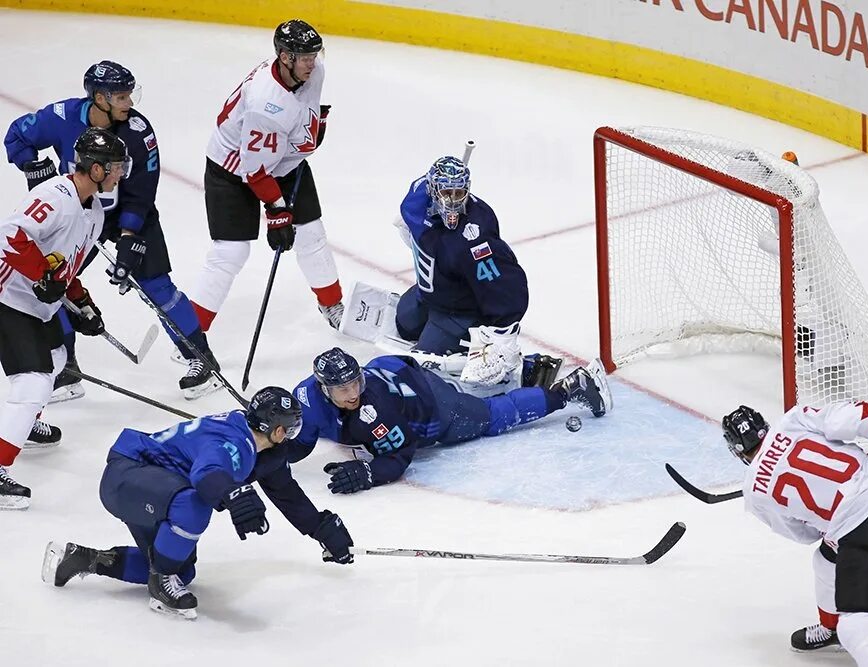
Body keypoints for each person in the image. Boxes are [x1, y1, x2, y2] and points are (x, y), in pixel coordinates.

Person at [3, 60, 222, 399]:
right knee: (53, 281)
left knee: (157, 285)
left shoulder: (137, 130)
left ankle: (200, 358)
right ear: (99, 98)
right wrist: (32, 164)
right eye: (120, 96)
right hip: (79, 210)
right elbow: (17, 135)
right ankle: (66, 369)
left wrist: (129, 237)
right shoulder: (62, 115)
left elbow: (142, 191)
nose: (129, 103)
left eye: (129, 95)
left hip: (127, 216)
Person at [40, 386, 355, 620]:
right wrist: (233, 494)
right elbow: (207, 476)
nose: (292, 435)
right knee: (195, 504)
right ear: (277, 429)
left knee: (182, 570)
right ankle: (161, 581)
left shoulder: (257, 445)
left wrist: (321, 529)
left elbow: (285, 490)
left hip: (150, 489)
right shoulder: (233, 442)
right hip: (128, 478)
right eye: (292, 427)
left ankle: (83, 559)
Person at [722, 401, 868, 665]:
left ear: (737, 451)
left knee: (857, 625)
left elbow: (804, 535)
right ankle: (830, 628)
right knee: (825, 560)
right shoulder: (793, 420)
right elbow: (858, 416)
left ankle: (844, 629)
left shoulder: (754, 493)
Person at [189, 19, 344, 334]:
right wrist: (276, 211)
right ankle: (190, 334)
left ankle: (332, 304)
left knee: (312, 233)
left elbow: (302, 114)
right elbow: (255, 171)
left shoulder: (313, 72)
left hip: (281, 162)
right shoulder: (266, 103)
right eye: (305, 57)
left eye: (315, 55)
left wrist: (312, 133)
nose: (312, 63)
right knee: (230, 252)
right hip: (233, 171)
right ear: (285, 57)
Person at [288, 347, 611, 494]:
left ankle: (569, 390)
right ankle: (511, 370)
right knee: (459, 384)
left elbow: (401, 455)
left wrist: (369, 472)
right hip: (394, 367)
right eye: (344, 388)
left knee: (490, 416)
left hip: (434, 410)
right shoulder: (306, 397)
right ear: (323, 388)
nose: (354, 392)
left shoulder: (375, 411)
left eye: (356, 382)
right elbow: (301, 439)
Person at [0, 128, 124, 509]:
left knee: (56, 361)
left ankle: (22, 426)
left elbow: (62, 266)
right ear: (97, 169)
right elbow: (10, 237)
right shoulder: (55, 196)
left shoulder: (95, 212)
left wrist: (81, 302)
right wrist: (42, 276)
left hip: (37, 304)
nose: (121, 174)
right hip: (8, 296)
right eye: (116, 167)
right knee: (33, 380)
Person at [394, 155, 529, 387]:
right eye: (447, 193)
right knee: (404, 323)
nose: (453, 201)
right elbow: (412, 226)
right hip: (430, 295)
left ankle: (529, 366)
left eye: (459, 194)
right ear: (432, 189)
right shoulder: (416, 198)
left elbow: (506, 287)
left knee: (426, 367)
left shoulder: (475, 239)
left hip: (459, 311)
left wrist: (503, 336)